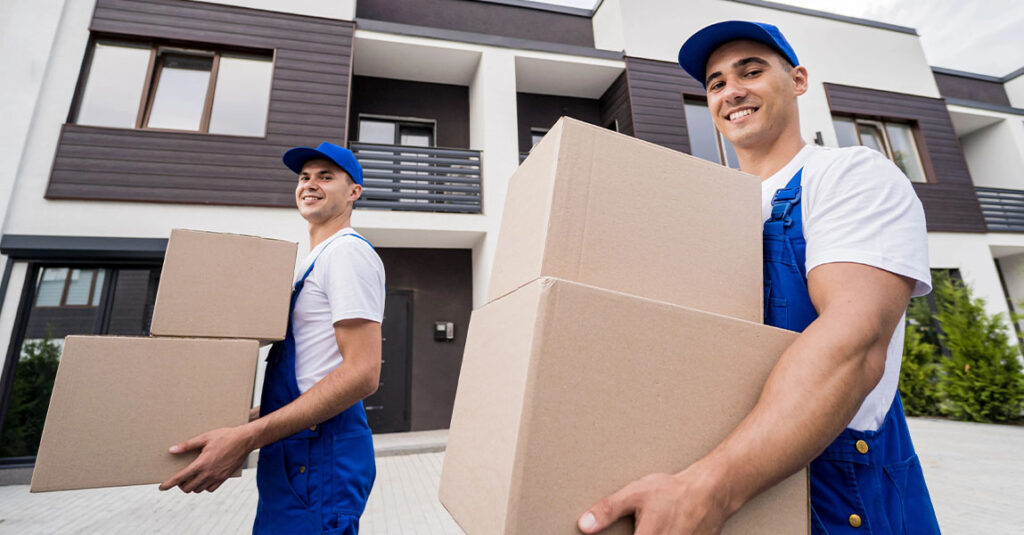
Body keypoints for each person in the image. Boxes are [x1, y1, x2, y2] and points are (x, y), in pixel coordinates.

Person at [578, 21, 941, 535]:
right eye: (717, 83)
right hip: (719, 477)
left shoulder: (849, 176)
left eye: (752, 71)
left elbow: (854, 343)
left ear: (797, 80)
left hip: (834, 495)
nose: (733, 91)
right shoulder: (705, 215)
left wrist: (709, 488)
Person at [159, 142, 385, 535]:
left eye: (326, 177)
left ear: (354, 193)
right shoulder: (307, 263)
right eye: (304, 177)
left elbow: (362, 373)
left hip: (320, 454)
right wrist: (236, 422)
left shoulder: (347, 254)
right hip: (293, 451)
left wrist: (245, 437)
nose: (310, 184)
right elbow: (312, 373)